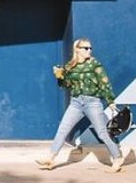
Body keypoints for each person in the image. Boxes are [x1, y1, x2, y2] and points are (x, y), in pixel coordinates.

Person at [37, 39, 127, 172]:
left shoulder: (95, 64)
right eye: (85, 48)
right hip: (76, 103)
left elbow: (104, 83)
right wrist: (60, 77)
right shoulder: (70, 66)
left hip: (92, 102)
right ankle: (50, 158)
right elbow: (67, 86)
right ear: (77, 49)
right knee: (63, 129)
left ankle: (117, 157)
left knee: (102, 133)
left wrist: (111, 101)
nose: (89, 50)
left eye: (90, 48)